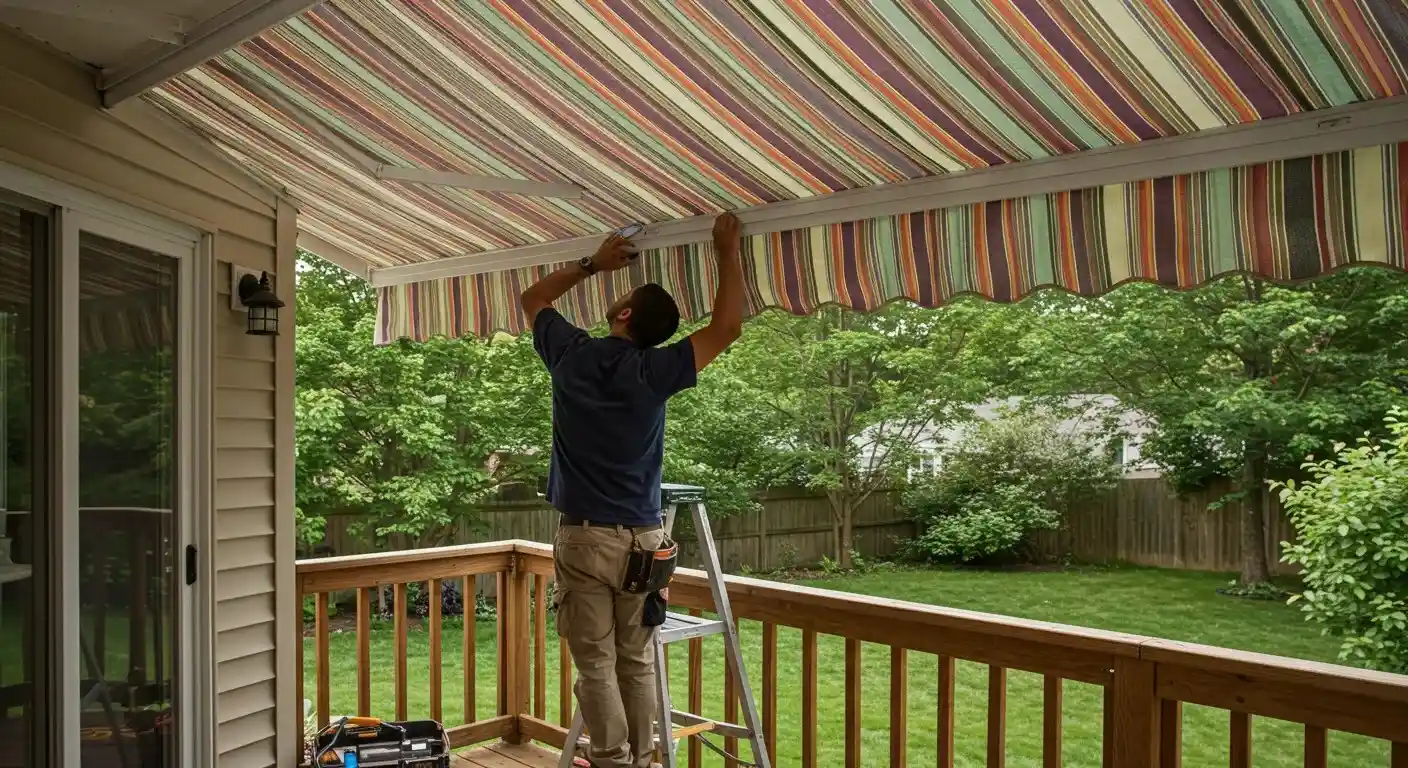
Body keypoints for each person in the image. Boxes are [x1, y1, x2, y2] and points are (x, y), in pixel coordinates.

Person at [519, 212, 744, 768]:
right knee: (635, 661)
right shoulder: (655, 370)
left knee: (594, 663)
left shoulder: (571, 355)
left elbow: (533, 298)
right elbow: (727, 328)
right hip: (644, 542)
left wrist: (593, 263)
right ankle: (643, 761)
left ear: (622, 314)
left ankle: (614, 762)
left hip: (583, 538)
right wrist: (725, 249)